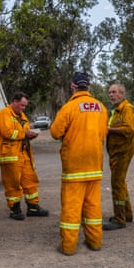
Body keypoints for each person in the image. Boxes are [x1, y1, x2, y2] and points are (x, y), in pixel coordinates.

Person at [50, 72, 108, 256]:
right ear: (88, 87)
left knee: (72, 207)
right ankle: (95, 241)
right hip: (94, 164)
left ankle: (68, 246)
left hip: (74, 166)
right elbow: (103, 132)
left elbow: (55, 132)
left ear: (73, 86)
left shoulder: (70, 107)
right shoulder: (101, 107)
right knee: (93, 205)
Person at [0, 92, 49, 220]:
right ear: (15, 102)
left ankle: (33, 207)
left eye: (25, 106)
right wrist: (25, 134)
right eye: (22, 105)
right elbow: (7, 133)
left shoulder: (22, 115)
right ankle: (15, 209)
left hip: (24, 153)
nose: (24, 108)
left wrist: (31, 135)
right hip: (10, 155)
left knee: (30, 180)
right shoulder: (4, 114)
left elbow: (24, 131)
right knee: (13, 183)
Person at [102, 84, 134, 230]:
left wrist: (108, 130)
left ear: (122, 93)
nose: (111, 95)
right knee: (121, 183)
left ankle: (119, 219)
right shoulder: (115, 111)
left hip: (123, 152)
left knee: (117, 184)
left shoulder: (127, 109)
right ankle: (126, 214)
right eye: (110, 92)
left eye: (114, 92)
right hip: (116, 152)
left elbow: (128, 129)